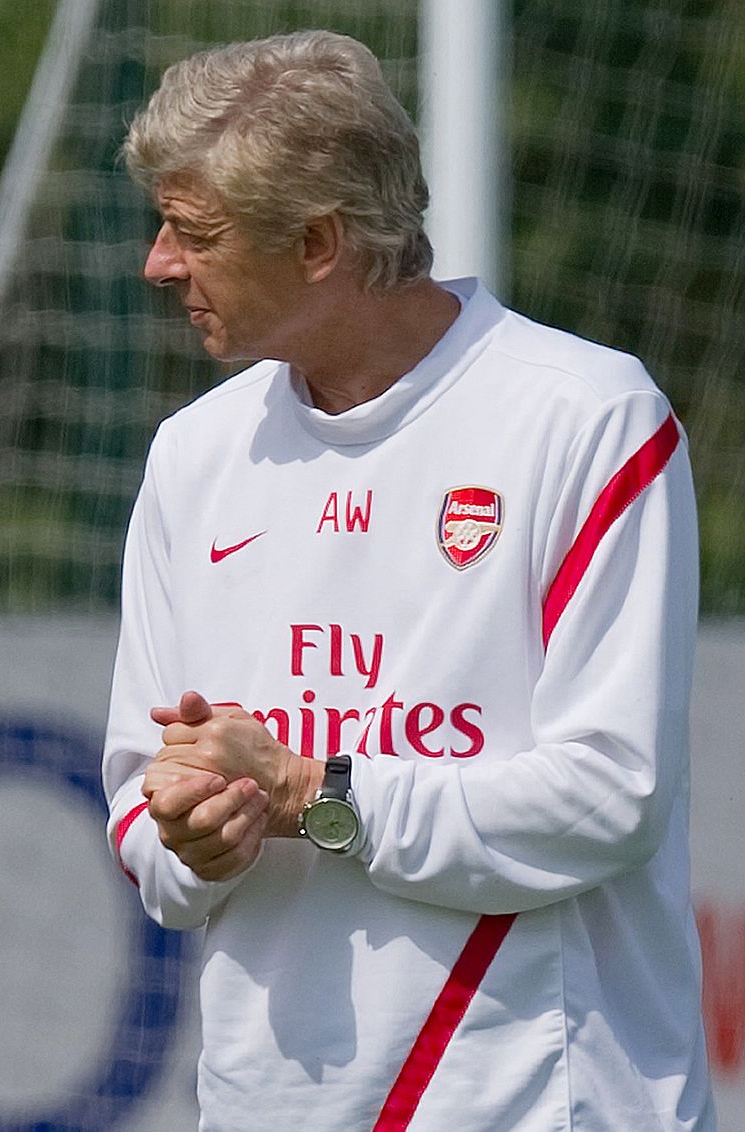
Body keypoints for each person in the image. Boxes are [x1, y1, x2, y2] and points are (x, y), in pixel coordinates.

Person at [102, 30, 715, 1131]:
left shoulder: (585, 418)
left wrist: (310, 791)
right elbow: (138, 810)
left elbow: (609, 794)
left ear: (320, 242)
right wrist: (190, 836)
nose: (157, 262)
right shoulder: (193, 455)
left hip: (544, 1103)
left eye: (192, 233)